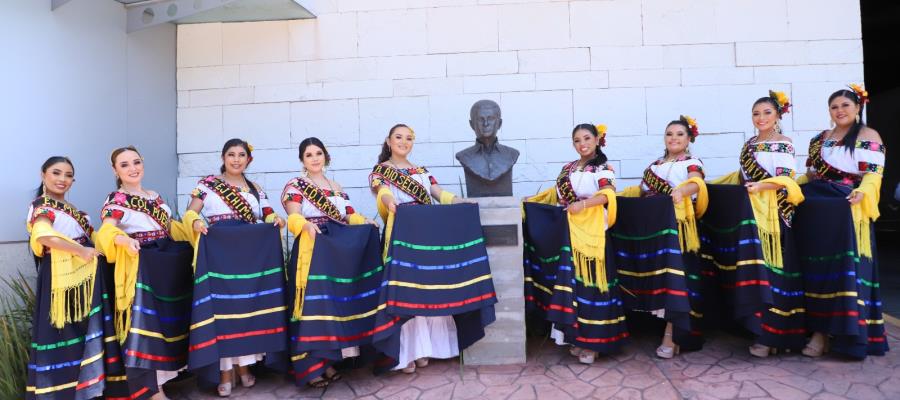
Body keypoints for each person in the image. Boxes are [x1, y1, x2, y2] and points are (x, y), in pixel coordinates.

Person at [183, 139, 286, 396]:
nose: (236, 159)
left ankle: (245, 368)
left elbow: (268, 213)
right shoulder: (207, 185)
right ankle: (226, 371)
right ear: (223, 157)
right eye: (231, 154)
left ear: (248, 160)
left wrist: (277, 220)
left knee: (248, 309)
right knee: (224, 311)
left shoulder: (255, 188)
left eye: (242, 155)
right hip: (219, 253)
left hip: (250, 254)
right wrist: (195, 223)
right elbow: (189, 212)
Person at [796, 85, 887, 359]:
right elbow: (810, 176)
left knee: (841, 270)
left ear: (858, 108)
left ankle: (832, 335)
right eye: (834, 107)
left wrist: (863, 192)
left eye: (845, 106)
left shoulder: (868, 135)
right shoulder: (819, 139)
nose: (840, 111)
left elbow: (873, 176)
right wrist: (783, 186)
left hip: (847, 208)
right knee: (815, 270)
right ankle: (816, 330)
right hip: (817, 210)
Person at [96, 146, 194, 400]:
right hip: (142, 265)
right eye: (125, 164)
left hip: (166, 264)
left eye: (136, 162)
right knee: (146, 327)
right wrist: (123, 241)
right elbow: (106, 231)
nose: (132, 168)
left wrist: (198, 232)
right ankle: (151, 391)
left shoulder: (155, 196)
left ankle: (165, 381)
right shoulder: (116, 199)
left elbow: (172, 228)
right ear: (115, 170)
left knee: (166, 324)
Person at [524, 123, 627, 364]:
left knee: (592, 285)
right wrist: (533, 199)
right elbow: (556, 194)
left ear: (597, 139)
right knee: (574, 286)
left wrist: (583, 205)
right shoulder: (567, 169)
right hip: (569, 232)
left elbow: (608, 194)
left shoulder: (603, 167)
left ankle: (594, 343)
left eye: (587, 138)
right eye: (578, 140)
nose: (583, 144)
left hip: (592, 232)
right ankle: (576, 337)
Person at [282, 137, 377, 387]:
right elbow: (292, 216)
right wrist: (305, 225)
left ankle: (329, 362)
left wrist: (365, 222)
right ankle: (311, 368)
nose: (314, 158)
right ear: (302, 160)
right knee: (312, 308)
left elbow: (349, 215)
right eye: (309, 155)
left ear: (326, 156)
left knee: (331, 307)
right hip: (312, 249)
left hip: (333, 250)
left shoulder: (335, 185)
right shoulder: (296, 185)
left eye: (318, 153)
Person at [616, 116, 708, 358]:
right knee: (660, 278)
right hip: (656, 228)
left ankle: (673, 335)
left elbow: (697, 183)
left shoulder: (691, 162)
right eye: (669, 134)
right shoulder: (655, 165)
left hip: (678, 228)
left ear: (689, 139)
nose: (673, 138)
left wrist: (681, 191)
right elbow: (640, 190)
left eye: (679, 134)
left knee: (676, 279)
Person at [25, 157, 109, 399]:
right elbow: (43, 236)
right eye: (56, 173)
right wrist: (81, 251)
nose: (62, 179)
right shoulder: (42, 206)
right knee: (62, 335)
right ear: (43, 175)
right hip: (60, 280)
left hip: (84, 278)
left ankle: (86, 391)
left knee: (82, 335)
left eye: (68, 175)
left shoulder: (79, 213)